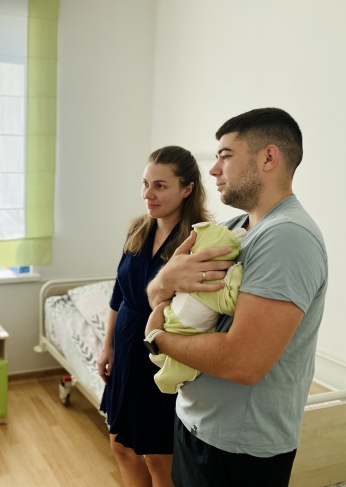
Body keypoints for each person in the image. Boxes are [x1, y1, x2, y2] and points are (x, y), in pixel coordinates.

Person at [144, 108, 328, 487]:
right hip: (196, 423)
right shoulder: (231, 229)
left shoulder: (287, 236)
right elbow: (159, 294)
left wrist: (156, 338)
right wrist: (165, 281)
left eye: (225, 156)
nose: (213, 170)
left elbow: (243, 362)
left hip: (235, 450)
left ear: (268, 157)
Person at [98, 146, 211, 487]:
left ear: (187, 188)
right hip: (126, 347)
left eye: (160, 186)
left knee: (159, 458)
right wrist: (108, 346)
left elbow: (202, 310)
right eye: (145, 184)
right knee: (120, 446)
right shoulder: (138, 229)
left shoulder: (198, 241)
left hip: (161, 354)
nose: (148, 194)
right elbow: (119, 292)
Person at [148, 221, 246, 393]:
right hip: (161, 325)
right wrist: (164, 279)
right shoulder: (225, 226)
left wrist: (154, 336)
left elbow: (237, 359)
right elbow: (152, 299)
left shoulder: (211, 230)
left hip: (171, 335)